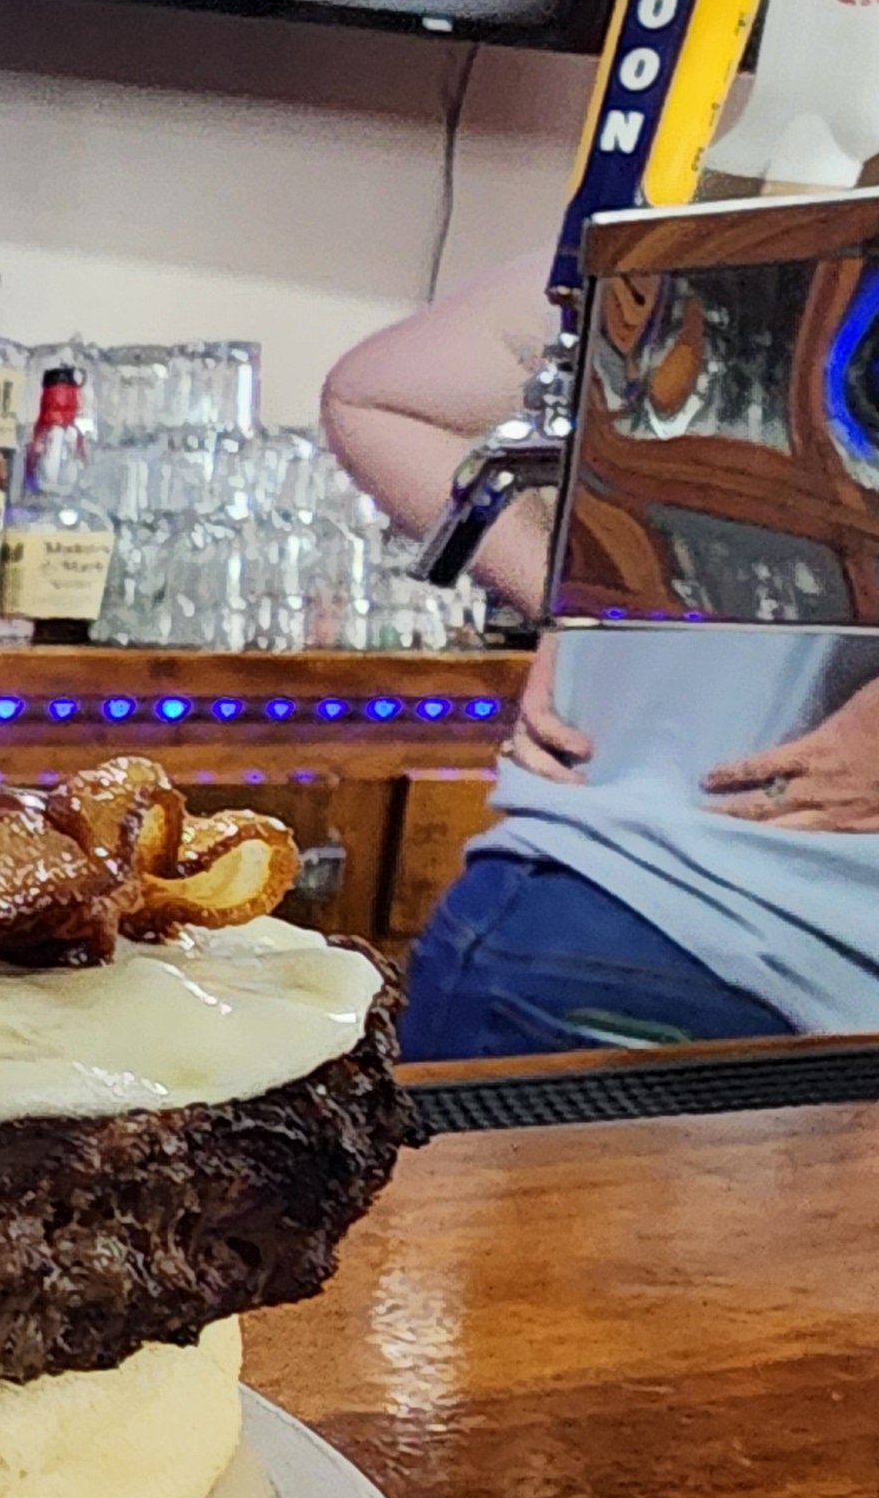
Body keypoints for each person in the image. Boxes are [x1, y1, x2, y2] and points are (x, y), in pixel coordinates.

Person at [323, 247, 879, 1058]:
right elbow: (373, 398)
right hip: (724, 939)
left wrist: (579, 591)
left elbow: (379, 393)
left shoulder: (683, 222)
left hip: (614, 924)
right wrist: (580, 594)